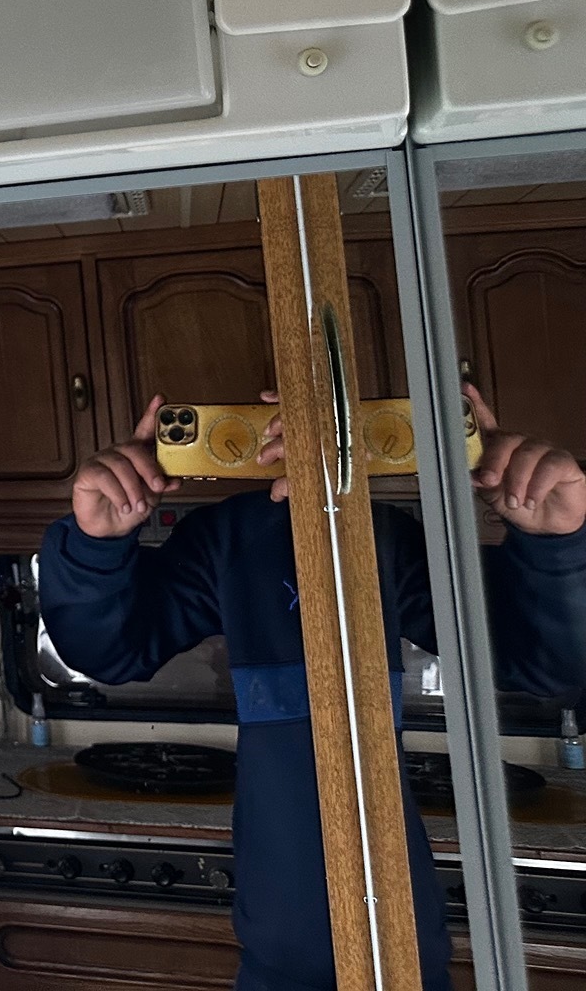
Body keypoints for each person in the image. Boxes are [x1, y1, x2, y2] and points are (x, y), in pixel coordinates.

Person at [38, 388, 586, 991]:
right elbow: (107, 650)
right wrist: (95, 544)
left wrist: (555, 548)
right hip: (281, 954)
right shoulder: (231, 538)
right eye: (268, 410)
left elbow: (547, 662)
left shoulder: (385, 537)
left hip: (404, 952)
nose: (289, 429)